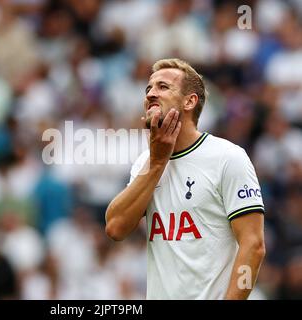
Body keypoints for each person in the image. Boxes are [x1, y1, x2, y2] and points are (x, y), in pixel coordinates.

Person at [105, 58, 265, 300]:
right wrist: (157, 163)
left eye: (163, 87)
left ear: (190, 101)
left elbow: (253, 245)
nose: (150, 94)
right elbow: (116, 227)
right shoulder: (145, 163)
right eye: (148, 88)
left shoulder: (228, 157)